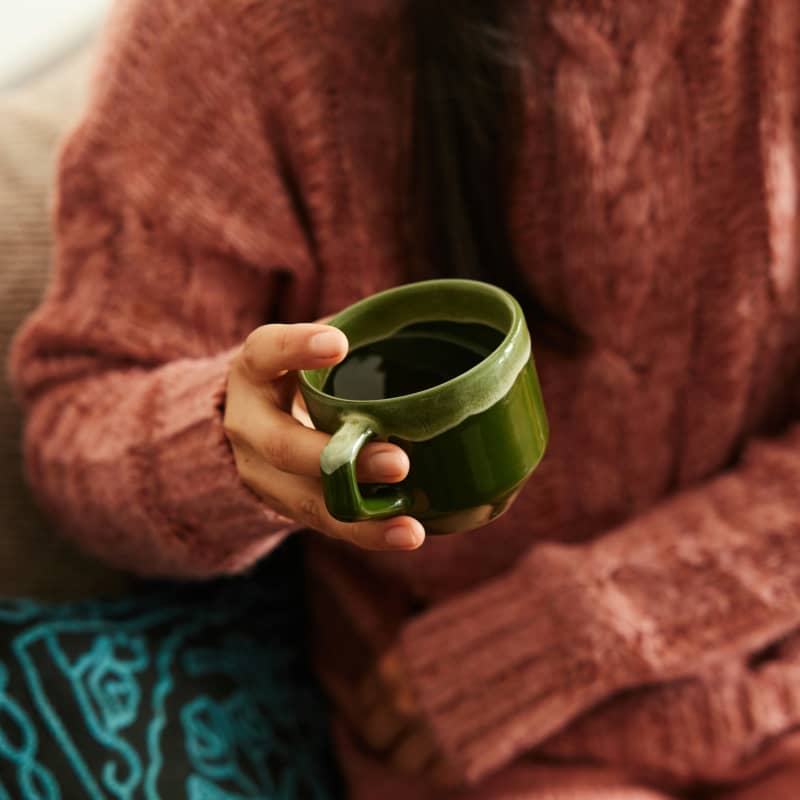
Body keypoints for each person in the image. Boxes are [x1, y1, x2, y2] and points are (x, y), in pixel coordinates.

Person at [9, 0, 800, 797]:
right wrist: (230, 450)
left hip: (758, 658)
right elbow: (76, 421)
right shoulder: (236, 29)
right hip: (474, 748)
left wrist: (567, 629)